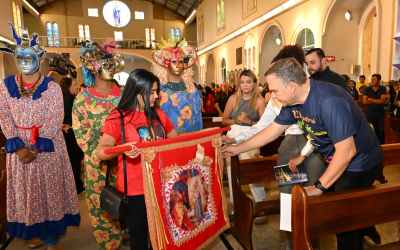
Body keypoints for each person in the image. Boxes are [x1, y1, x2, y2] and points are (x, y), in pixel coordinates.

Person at [223, 58, 383, 250]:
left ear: (291, 86)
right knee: (288, 194)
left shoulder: (329, 101)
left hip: (358, 163)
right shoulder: (291, 102)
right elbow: (270, 130)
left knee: (338, 218)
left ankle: (319, 238)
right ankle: (291, 240)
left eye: (274, 90)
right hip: (296, 152)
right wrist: (239, 147)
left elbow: (346, 151)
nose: (270, 96)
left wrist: (319, 186)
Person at [225, 45, 325, 249]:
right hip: (290, 147)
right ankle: (290, 242)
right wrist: (236, 140)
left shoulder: (316, 89)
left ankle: (311, 243)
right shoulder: (278, 96)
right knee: (287, 197)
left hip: (314, 148)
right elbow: (263, 127)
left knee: (313, 198)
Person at [0, 25, 80, 250]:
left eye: (29, 56)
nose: (24, 61)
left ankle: (51, 238)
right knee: (27, 194)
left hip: (48, 146)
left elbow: (56, 116)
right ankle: (35, 234)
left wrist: (36, 147)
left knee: (49, 192)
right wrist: (17, 146)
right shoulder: (5, 86)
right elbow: (3, 114)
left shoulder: (52, 88)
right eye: (20, 57)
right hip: (19, 150)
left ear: (39, 57)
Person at [96, 69, 178, 250]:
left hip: (161, 184)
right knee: (139, 239)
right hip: (135, 190)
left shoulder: (159, 115)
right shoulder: (118, 117)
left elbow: (177, 141)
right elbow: (101, 152)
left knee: (163, 236)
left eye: (157, 91)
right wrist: (123, 149)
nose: (156, 96)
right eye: (153, 91)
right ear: (138, 91)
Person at [72, 41, 124, 250]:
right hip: (97, 163)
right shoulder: (82, 99)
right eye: (105, 61)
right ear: (92, 66)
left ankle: (123, 232)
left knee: (125, 201)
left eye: (111, 60)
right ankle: (109, 243)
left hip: (124, 159)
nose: (109, 65)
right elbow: (81, 133)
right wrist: (101, 153)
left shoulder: (123, 96)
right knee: (101, 204)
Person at [153, 37, 202, 133]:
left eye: (181, 62)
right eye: (174, 62)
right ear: (166, 63)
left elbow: (198, 117)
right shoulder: (159, 91)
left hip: (192, 138)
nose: (178, 65)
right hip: (170, 141)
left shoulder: (192, 89)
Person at [60, 77, 84, 194]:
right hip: (71, 134)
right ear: (68, 86)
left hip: (66, 134)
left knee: (70, 162)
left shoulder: (62, 98)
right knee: (74, 161)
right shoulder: (70, 99)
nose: (77, 87)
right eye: (74, 85)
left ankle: (72, 186)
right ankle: (76, 186)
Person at [363, 73, 389, 144]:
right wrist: (378, 100)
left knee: (381, 131)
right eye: (372, 79)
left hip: (380, 113)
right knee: (370, 131)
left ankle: (382, 146)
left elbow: (382, 101)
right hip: (370, 113)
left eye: (374, 79)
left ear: (379, 80)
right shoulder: (367, 89)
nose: (372, 81)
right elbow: (364, 101)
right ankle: (371, 146)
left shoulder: (383, 88)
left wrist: (371, 100)